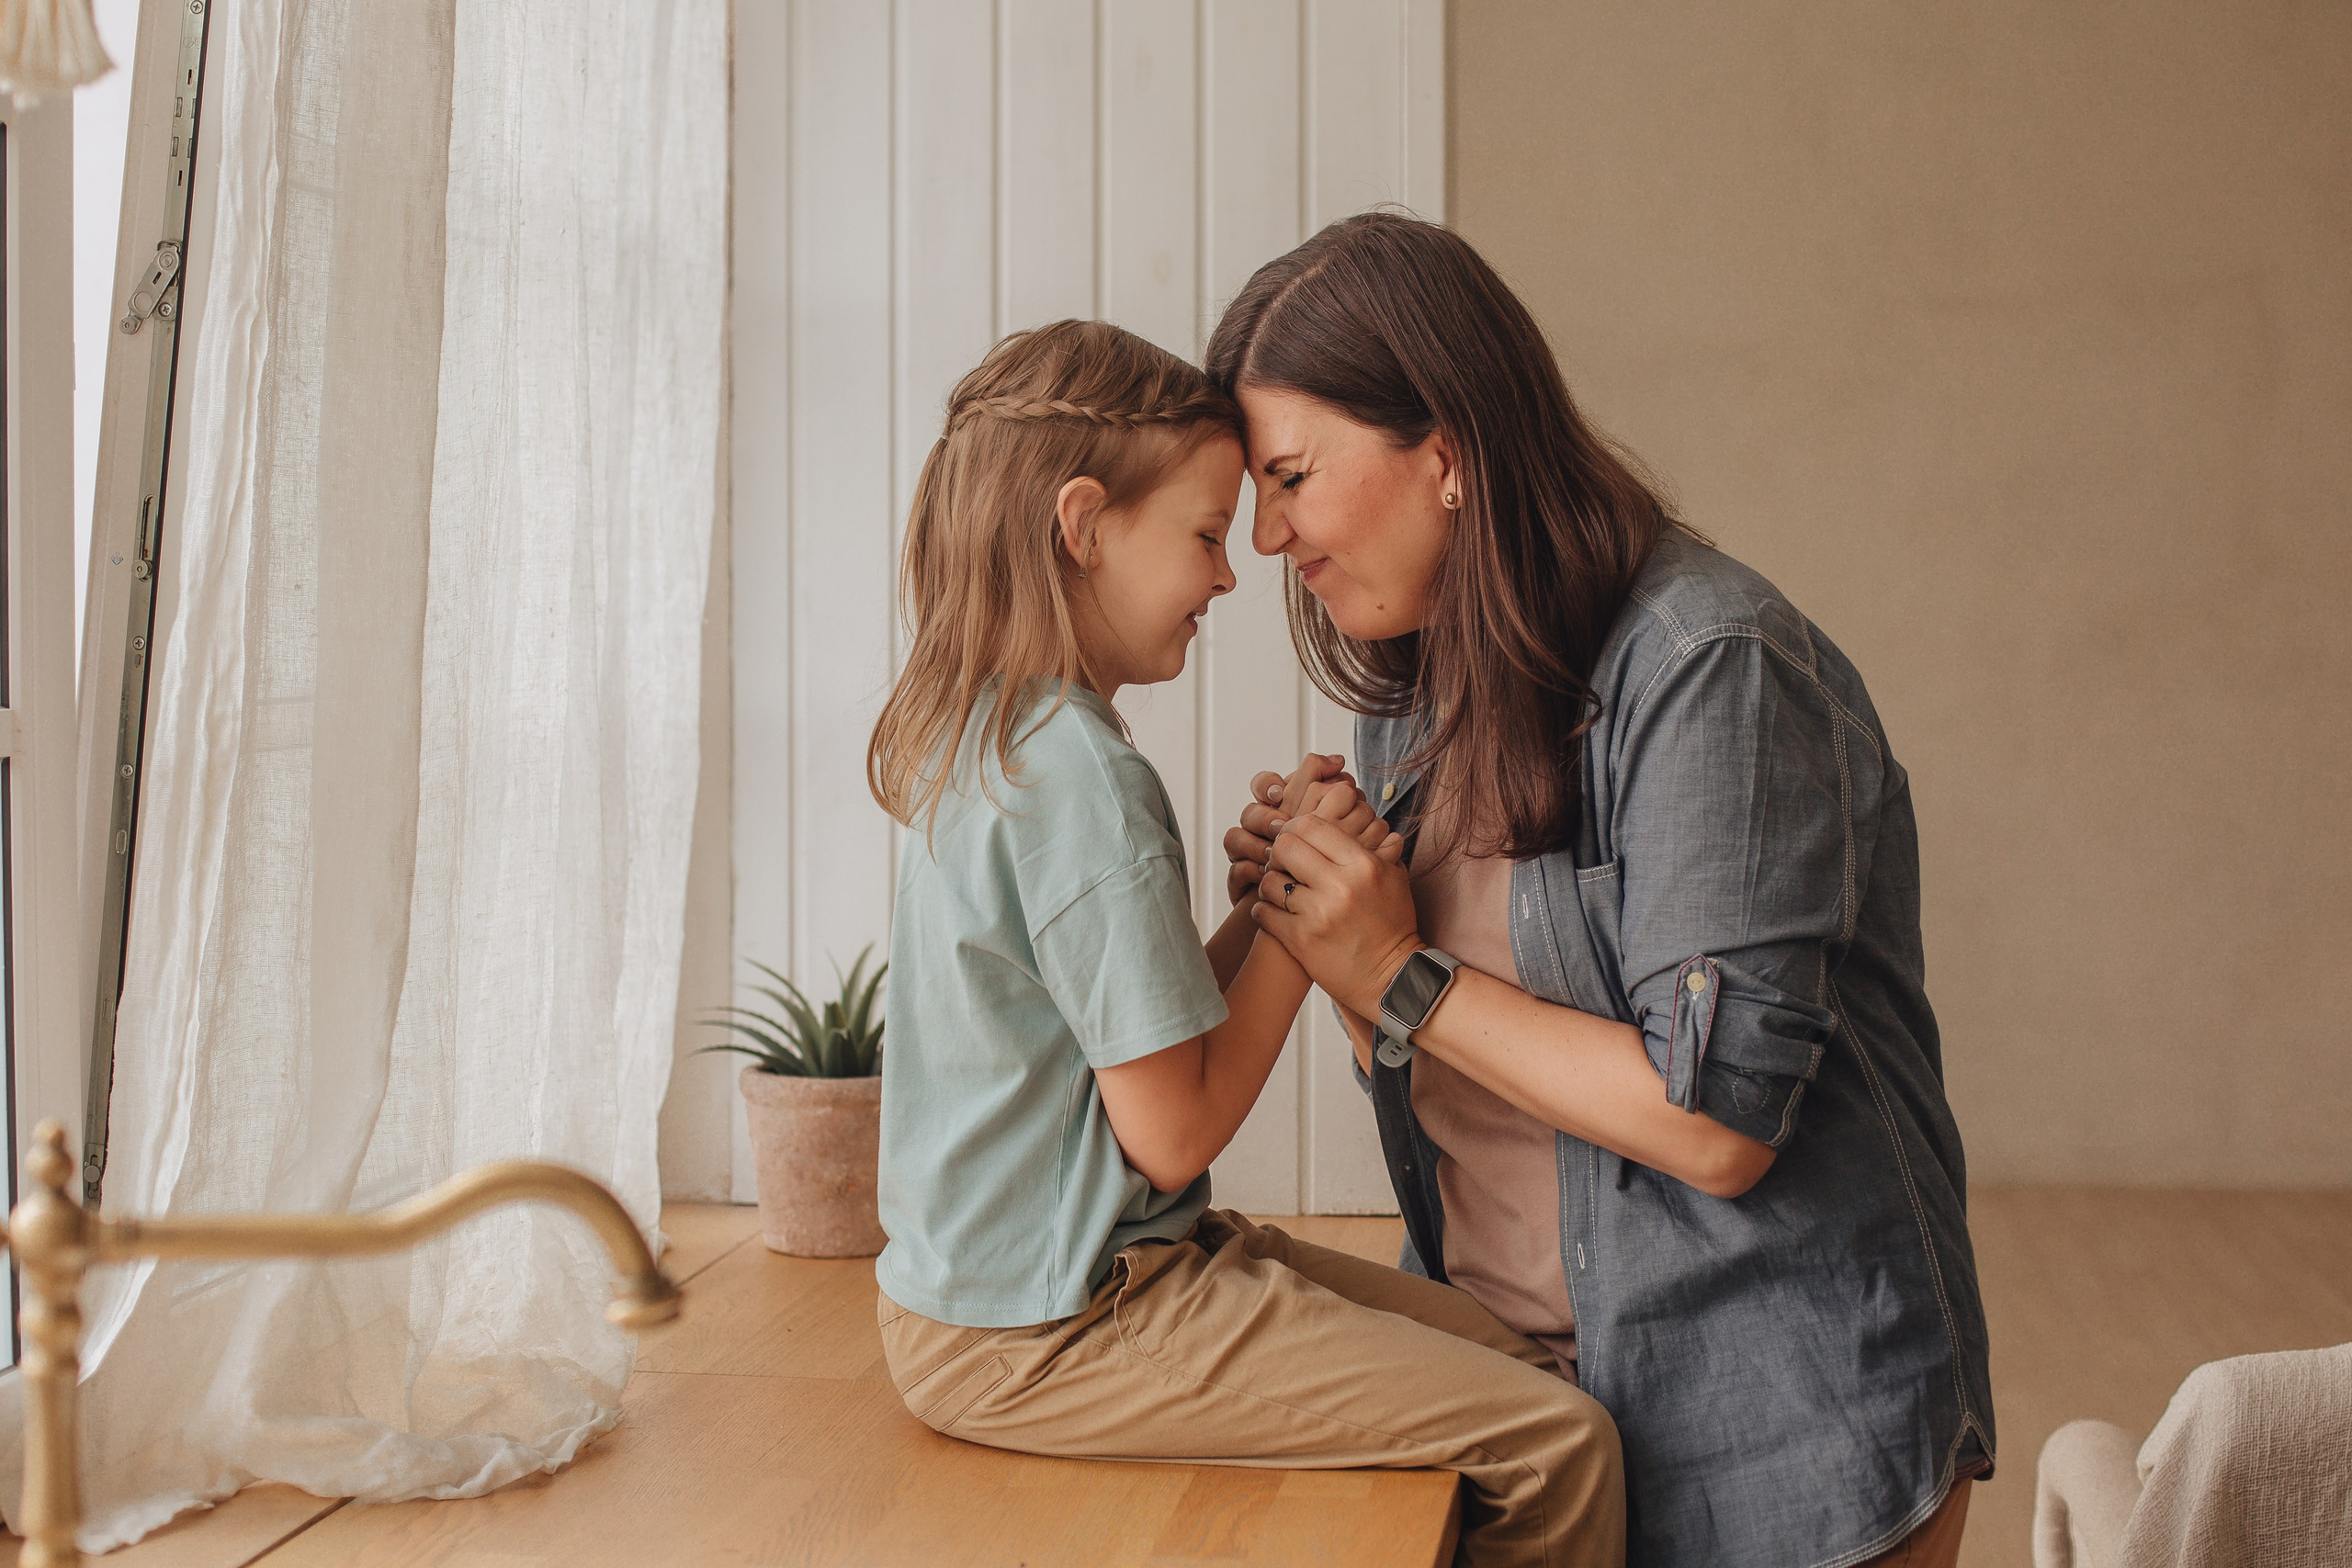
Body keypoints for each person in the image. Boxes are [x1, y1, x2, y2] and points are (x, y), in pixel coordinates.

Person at [1209, 214, 1994, 1568]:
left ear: (1445, 450)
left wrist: (1395, 967)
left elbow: (1715, 1130)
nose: (1269, 533)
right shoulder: (1416, 687)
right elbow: (1440, 1071)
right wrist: (1317, 929)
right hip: (1532, 1401)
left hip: (1779, 1441)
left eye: (1289, 477)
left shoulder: (1713, 670)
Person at [863, 319, 1625, 1568]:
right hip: (1054, 1327)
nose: (1232, 575)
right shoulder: (1083, 784)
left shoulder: (998, 734)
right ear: (1083, 523)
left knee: (1501, 1358)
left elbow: (1110, 1047)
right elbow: (1170, 1132)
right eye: (1208, 536)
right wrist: (1308, 927)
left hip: (1014, 1296)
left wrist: (1279, 894)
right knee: (1561, 1445)